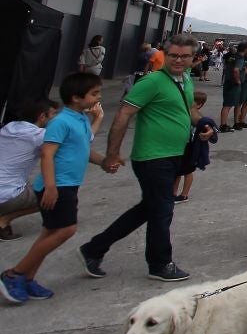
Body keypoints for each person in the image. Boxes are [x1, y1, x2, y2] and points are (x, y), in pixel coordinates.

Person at [79, 33, 197, 283]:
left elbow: (188, 110)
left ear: (192, 58)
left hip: (174, 155)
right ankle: (160, 264)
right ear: (164, 54)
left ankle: (94, 248)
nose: (178, 60)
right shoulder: (152, 82)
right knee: (162, 210)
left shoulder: (185, 79)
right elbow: (123, 115)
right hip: (153, 158)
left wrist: (204, 124)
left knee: (149, 208)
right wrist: (112, 153)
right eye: (173, 55)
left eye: (184, 56)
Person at [1, 74, 108, 303]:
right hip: (58, 186)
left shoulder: (80, 120)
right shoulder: (61, 122)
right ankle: (14, 274)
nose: (99, 97)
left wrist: (104, 162)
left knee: (49, 232)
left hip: (68, 185)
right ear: (77, 98)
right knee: (66, 230)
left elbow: (83, 149)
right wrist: (50, 186)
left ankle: (27, 279)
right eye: (94, 93)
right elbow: (47, 154)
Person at [0, 98, 60, 242]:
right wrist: (97, 118)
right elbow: (77, 145)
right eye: (53, 115)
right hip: (5, 194)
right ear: (42, 117)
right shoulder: (39, 135)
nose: (56, 119)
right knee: (56, 195)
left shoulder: (8, 127)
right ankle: (4, 220)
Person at [173, 91, 218, 202]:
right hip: (180, 145)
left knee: (187, 171)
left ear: (198, 104)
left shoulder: (197, 116)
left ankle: (184, 194)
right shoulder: (187, 112)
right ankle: (172, 193)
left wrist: (209, 130)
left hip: (190, 146)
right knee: (176, 171)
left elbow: (207, 125)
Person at [219, 42, 247, 133]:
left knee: (231, 103)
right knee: (228, 105)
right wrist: (238, 80)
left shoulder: (233, 56)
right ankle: (223, 125)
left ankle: (228, 124)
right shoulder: (240, 58)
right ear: (246, 49)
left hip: (228, 81)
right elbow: (236, 70)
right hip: (233, 83)